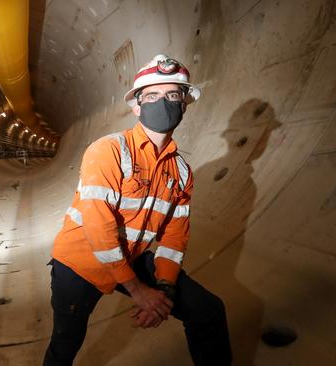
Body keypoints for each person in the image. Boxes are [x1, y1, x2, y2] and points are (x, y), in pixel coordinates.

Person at [44, 54, 232, 365]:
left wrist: (164, 289)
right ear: (136, 106)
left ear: (184, 104)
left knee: (208, 310)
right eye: (153, 95)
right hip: (80, 262)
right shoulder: (108, 151)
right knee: (66, 343)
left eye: (173, 94)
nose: (164, 102)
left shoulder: (182, 172)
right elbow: (99, 226)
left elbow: (174, 238)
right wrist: (138, 291)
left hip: (129, 256)